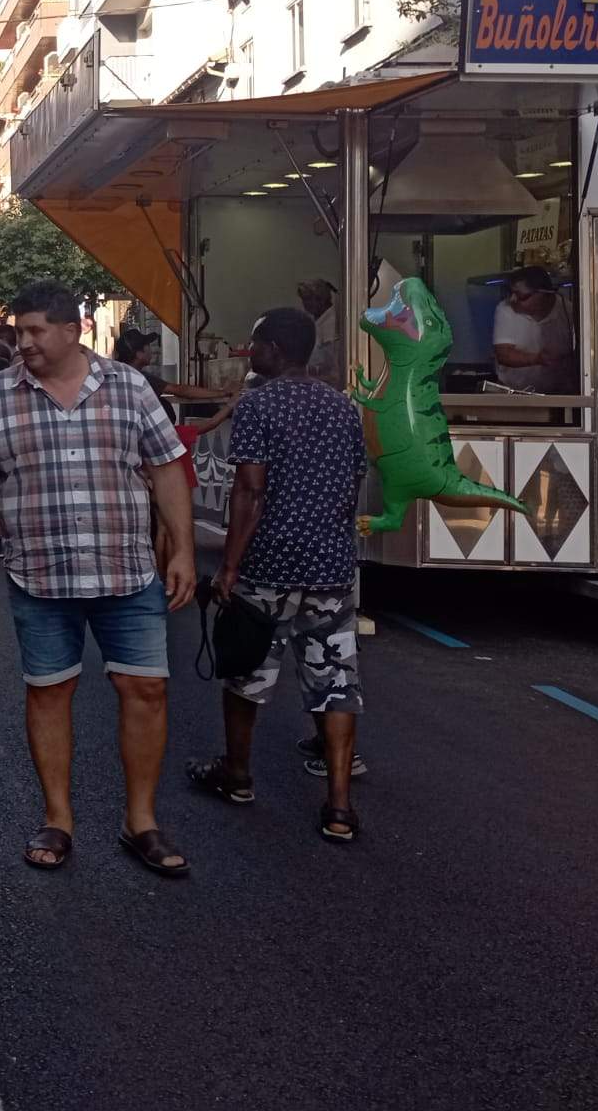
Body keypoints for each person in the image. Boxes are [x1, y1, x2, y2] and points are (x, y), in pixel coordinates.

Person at [0, 279, 196, 879]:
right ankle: (58, 818)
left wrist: (180, 549)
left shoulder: (129, 387)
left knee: (145, 691)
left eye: (34, 331)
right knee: (50, 693)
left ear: (72, 331)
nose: (21, 343)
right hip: (41, 576)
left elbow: (166, 470)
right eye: (17, 332)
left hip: (126, 573)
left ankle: (142, 822)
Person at [186, 307, 367, 844]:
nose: (250, 352)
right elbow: (353, 481)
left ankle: (237, 775)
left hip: (269, 563)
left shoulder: (259, 405)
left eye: (256, 344)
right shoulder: (343, 407)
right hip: (331, 564)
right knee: (335, 678)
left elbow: (249, 490)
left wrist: (230, 564)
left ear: (278, 350)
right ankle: (338, 806)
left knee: (246, 672)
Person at [493, 266, 575, 394]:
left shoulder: (568, 311)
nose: (513, 299)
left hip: (558, 393)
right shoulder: (505, 309)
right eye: (511, 293)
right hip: (513, 392)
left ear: (543, 294)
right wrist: (537, 359)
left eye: (521, 296)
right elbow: (503, 354)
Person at [296, 279, 341, 387]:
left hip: (328, 383)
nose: (305, 304)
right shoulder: (316, 320)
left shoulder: (331, 322)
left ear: (321, 300)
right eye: (304, 300)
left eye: (308, 299)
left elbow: (330, 364)